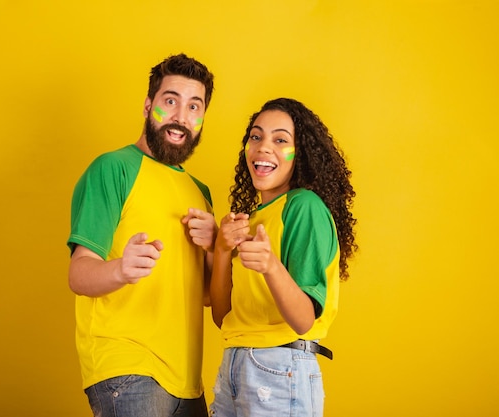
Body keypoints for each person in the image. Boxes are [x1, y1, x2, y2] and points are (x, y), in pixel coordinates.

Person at [67, 53, 216, 417]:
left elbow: (210, 297)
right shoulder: (113, 169)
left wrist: (216, 248)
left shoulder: (200, 193)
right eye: (170, 101)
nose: (181, 116)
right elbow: (78, 273)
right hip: (127, 369)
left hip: (187, 381)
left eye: (194, 107)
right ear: (149, 105)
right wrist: (121, 269)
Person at [209, 98, 358, 417]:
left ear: (300, 153)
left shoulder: (303, 207)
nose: (263, 147)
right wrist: (222, 250)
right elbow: (224, 317)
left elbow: (304, 320)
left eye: (280, 140)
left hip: (279, 369)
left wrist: (270, 265)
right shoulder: (253, 219)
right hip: (235, 364)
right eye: (256, 136)